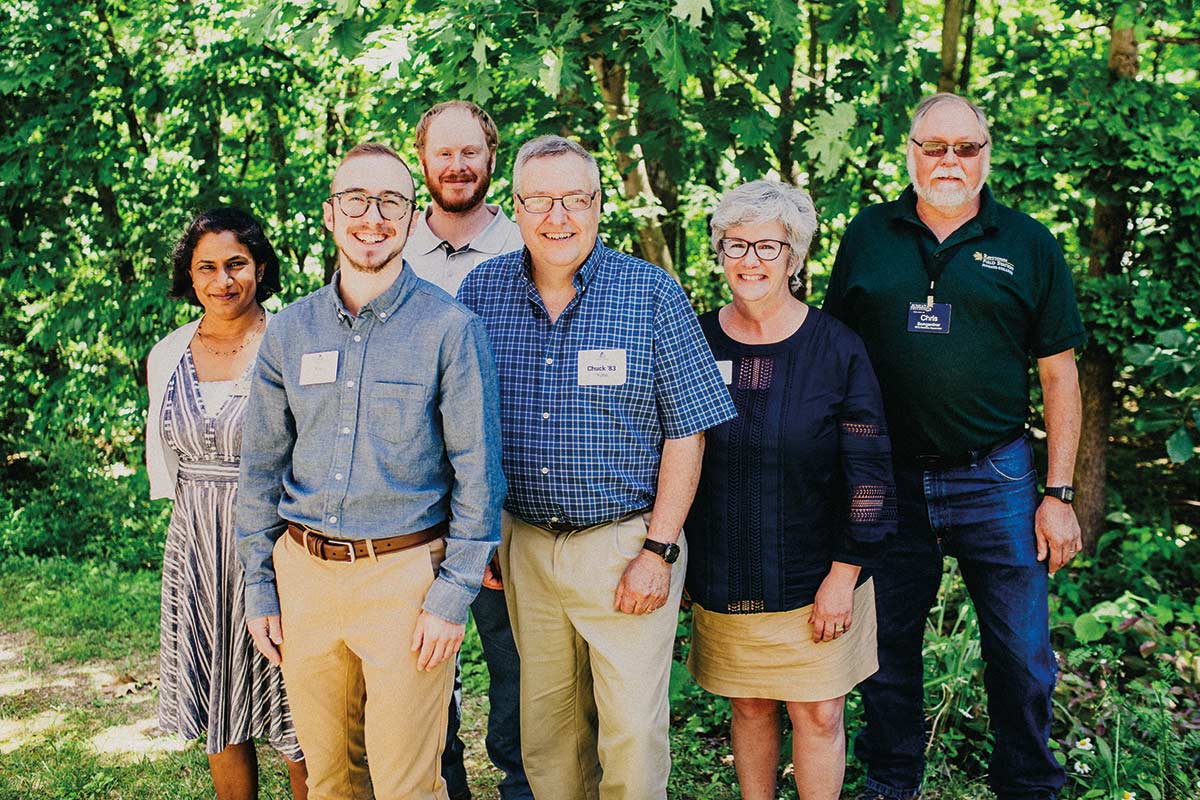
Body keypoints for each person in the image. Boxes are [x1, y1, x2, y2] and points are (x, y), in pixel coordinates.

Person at [457, 134, 737, 800]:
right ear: (515, 209)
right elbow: (462, 426)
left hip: (625, 545)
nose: (558, 217)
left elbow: (688, 430)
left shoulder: (649, 294)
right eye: (540, 201)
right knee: (548, 736)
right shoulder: (481, 294)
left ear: (599, 205)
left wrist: (659, 551)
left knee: (631, 737)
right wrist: (481, 534)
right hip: (522, 542)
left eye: (575, 200)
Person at [823, 93, 1085, 800]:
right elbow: (831, 355)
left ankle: (1030, 784)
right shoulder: (868, 235)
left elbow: (1059, 375)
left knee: (1023, 657)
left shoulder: (1028, 242)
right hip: (887, 480)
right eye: (933, 146)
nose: (948, 161)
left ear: (986, 156)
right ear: (909, 151)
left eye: (964, 148)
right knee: (886, 650)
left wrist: (1058, 496)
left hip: (995, 476)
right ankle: (892, 781)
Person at [235, 142, 505, 800]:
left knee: (406, 784)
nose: (372, 216)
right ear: (331, 214)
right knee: (330, 780)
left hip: (405, 580)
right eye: (356, 199)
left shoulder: (450, 328)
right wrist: (261, 585)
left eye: (390, 201)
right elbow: (261, 467)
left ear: (412, 220)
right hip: (305, 575)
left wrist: (450, 596)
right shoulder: (290, 331)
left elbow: (479, 474)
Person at [685, 180, 896, 800]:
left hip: (817, 576)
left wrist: (844, 573)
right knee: (749, 706)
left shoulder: (837, 349)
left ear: (795, 256)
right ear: (719, 251)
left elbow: (871, 474)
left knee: (820, 713)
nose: (750, 259)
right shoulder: (695, 339)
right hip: (727, 571)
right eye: (735, 244)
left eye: (768, 247)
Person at [146, 207, 307, 800]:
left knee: (299, 714)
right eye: (206, 267)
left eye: (236, 263)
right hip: (197, 546)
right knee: (221, 706)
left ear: (260, 267)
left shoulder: (292, 338)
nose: (223, 280)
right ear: (190, 278)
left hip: (279, 545)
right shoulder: (168, 354)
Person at [405, 100, 530, 800]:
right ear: (422, 158)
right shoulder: (390, 248)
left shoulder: (531, 243)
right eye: (443, 152)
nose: (457, 166)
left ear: (491, 157)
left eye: (471, 152)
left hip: (508, 505)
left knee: (520, 678)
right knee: (423, 684)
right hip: (413, 505)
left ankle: (521, 788)